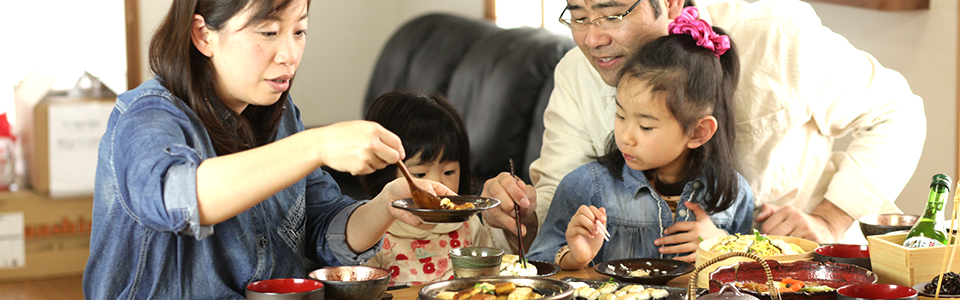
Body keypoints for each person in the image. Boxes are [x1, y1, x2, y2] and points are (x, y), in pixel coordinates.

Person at [82, 1, 452, 298]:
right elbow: (177, 197)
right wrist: (315, 144)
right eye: (269, 32)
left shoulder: (281, 114)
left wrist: (388, 204)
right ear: (203, 35)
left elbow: (323, 228)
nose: (289, 54)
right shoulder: (147, 116)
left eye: (299, 31)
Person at [529, 0, 925, 245]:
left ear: (668, 3)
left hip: (799, 268)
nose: (592, 39)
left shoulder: (778, 35)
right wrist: (521, 220)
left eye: (610, 13)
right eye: (577, 15)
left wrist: (828, 219)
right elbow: (556, 202)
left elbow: (897, 113)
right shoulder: (575, 73)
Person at [527, 9, 753, 267]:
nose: (626, 137)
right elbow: (536, 265)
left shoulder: (734, 193)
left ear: (698, 132)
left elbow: (751, 276)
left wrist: (721, 245)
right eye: (621, 116)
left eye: (645, 127)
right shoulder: (585, 186)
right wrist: (574, 257)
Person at [359, 91, 496, 286]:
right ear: (385, 176)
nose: (436, 186)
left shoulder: (469, 226)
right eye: (420, 175)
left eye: (449, 172)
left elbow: (493, 280)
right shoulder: (377, 236)